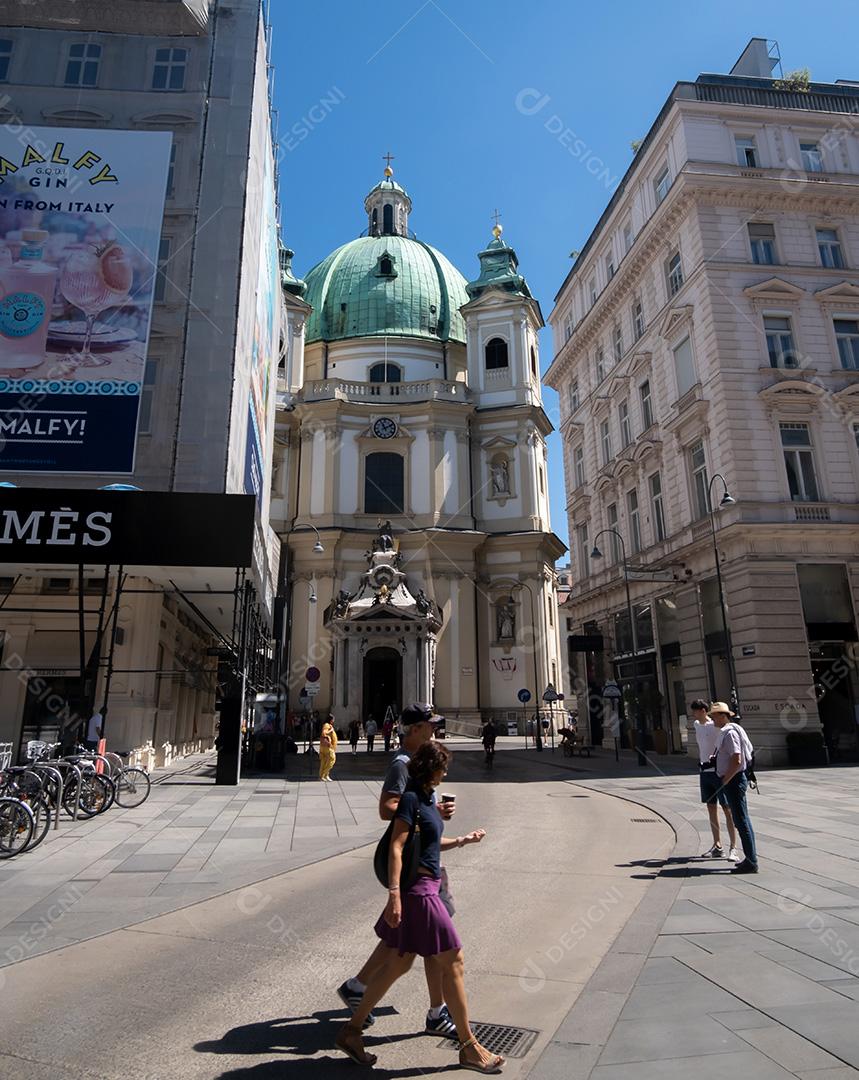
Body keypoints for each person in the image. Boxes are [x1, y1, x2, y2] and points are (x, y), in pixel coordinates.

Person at [336, 740, 504, 1073]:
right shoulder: (412, 798)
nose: (446, 772)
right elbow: (398, 848)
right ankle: (469, 1046)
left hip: (425, 886)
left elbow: (427, 841)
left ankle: (351, 1031)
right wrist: (394, 894)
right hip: (419, 893)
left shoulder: (427, 797)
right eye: (443, 767)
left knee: (398, 964)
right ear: (431, 768)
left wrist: (462, 840)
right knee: (453, 959)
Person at [337, 703, 457, 1038]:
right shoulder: (402, 765)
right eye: (429, 726)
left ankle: (357, 988)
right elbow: (388, 808)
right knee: (432, 946)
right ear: (416, 728)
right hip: (416, 869)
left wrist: (437, 813)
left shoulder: (418, 766)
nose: (434, 730)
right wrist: (421, 811)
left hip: (426, 864)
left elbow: (417, 808)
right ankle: (436, 1014)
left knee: (400, 941)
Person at [711, 702, 758, 874]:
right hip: (735, 779)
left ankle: (751, 861)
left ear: (723, 716)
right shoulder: (730, 731)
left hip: (734, 780)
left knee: (741, 820)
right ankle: (750, 858)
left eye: (715, 715)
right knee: (742, 819)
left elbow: (737, 759)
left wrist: (725, 779)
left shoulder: (729, 733)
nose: (712, 718)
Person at [689, 699, 738, 861]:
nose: (693, 714)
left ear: (703, 710)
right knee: (711, 808)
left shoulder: (716, 726)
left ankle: (733, 847)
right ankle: (717, 845)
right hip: (704, 771)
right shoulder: (696, 724)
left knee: (727, 809)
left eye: (695, 710)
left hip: (719, 772)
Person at [319, 717, 337, 782]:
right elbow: (324, 733)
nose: (333, 721)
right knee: (332, 759)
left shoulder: (327, 725)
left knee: (324, 761)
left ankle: (323, 776)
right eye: (333, 719)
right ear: (330, 720)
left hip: (324, 747)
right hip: (327, 747)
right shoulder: (327, 725)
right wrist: (331, 730)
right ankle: (324, 774)